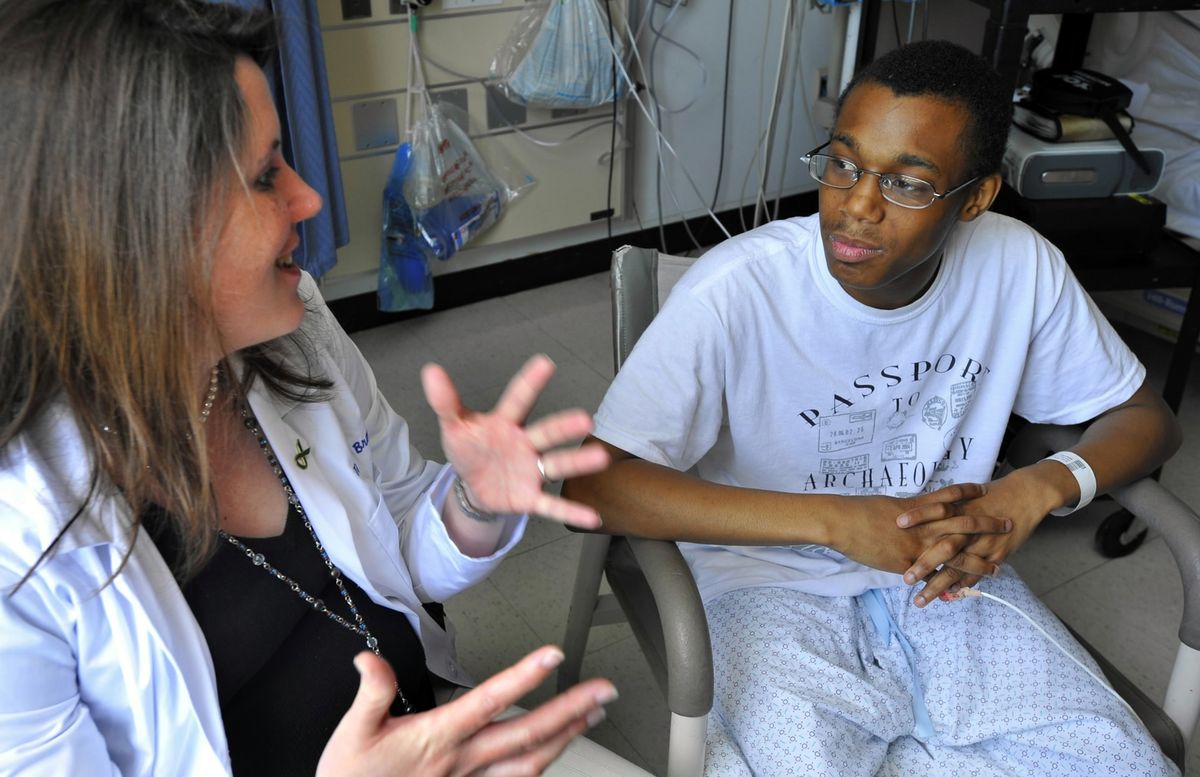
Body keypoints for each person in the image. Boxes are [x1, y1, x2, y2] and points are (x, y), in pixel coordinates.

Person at [0, 2, 645, 775]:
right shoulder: (22, 541)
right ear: (135, 230)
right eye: (269, 173)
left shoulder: (293, 325)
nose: (308, 199)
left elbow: (397, 539)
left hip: (431, 730)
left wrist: (471, 505)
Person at [564, 40, 1182, 776]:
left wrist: (1036, 487)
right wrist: (833, 520)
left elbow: (1148, 420)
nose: (857, 205)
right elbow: (592, 482)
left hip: (948, 577)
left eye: (909, 185)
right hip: (766, 585)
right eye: (844, 164)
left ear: (976, 199)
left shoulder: (1018, 266)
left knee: (1126, 762)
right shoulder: (739, 290)